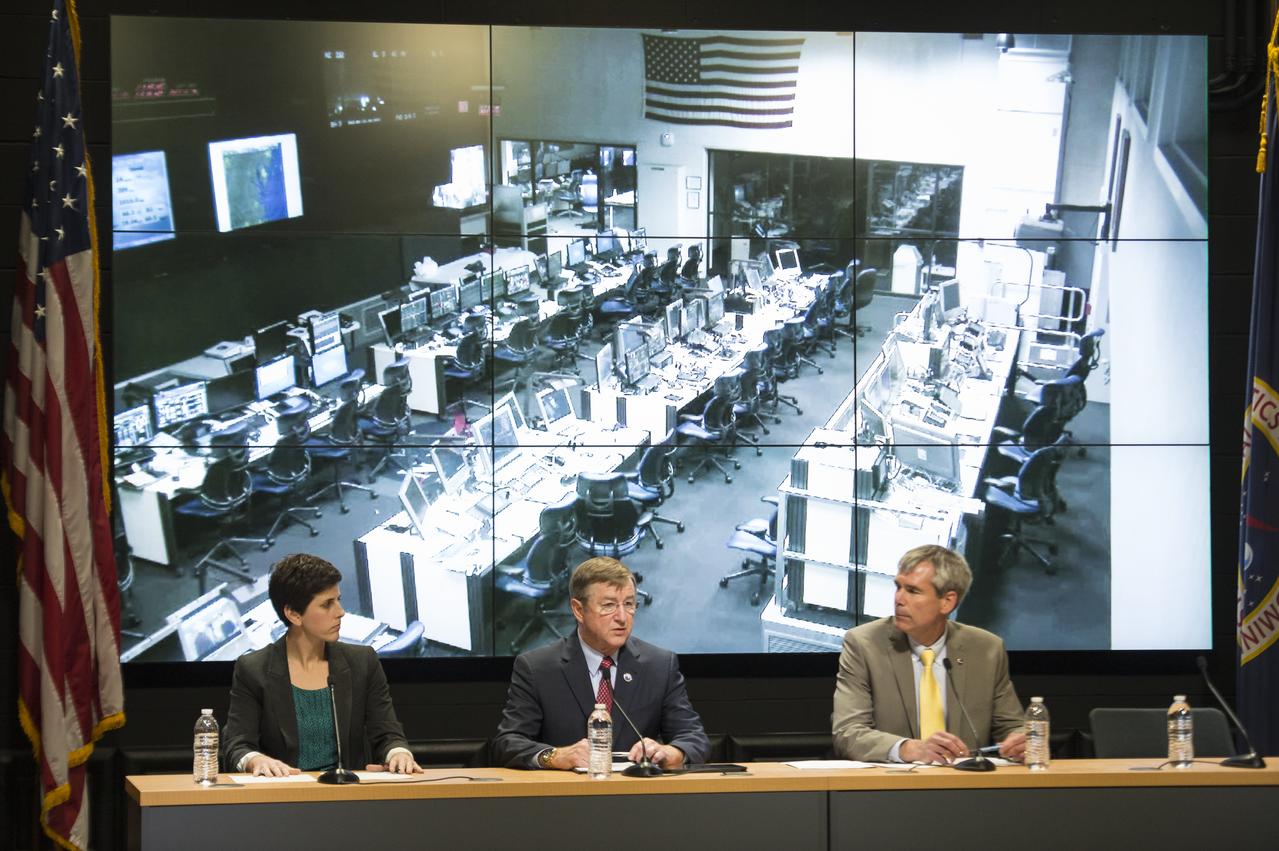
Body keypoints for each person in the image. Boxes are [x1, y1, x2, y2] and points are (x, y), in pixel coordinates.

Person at [492, 557, 710, 770]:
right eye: (609, 606)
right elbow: (508, 743)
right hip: (565, 799)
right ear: (578, 610)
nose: (623, 617)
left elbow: (693, 738)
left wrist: (668, 753)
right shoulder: (537, 668)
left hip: (639, 798)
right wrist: (557, 756)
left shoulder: (659, 665)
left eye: (629, 604)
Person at [223, 554, 422, 776]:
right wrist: (255, 760)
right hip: (284, 797)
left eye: (338, 599)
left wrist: (398, 753)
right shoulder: (254, 668)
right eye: (327, 604)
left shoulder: (362, 661)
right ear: (293, 614)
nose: (340, 612)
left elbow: (388, 734)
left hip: (347, 796)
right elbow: (237, 745)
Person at [831, 544, 1026, 764]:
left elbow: (1012, 727)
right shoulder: (864, 644)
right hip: (891, 787)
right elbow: (848, 733)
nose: (899, 599)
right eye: (898, 587)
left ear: (947, 601)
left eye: (913, 591)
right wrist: (908, 749)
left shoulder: (986, 650)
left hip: (967, 787)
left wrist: (1021, 742)